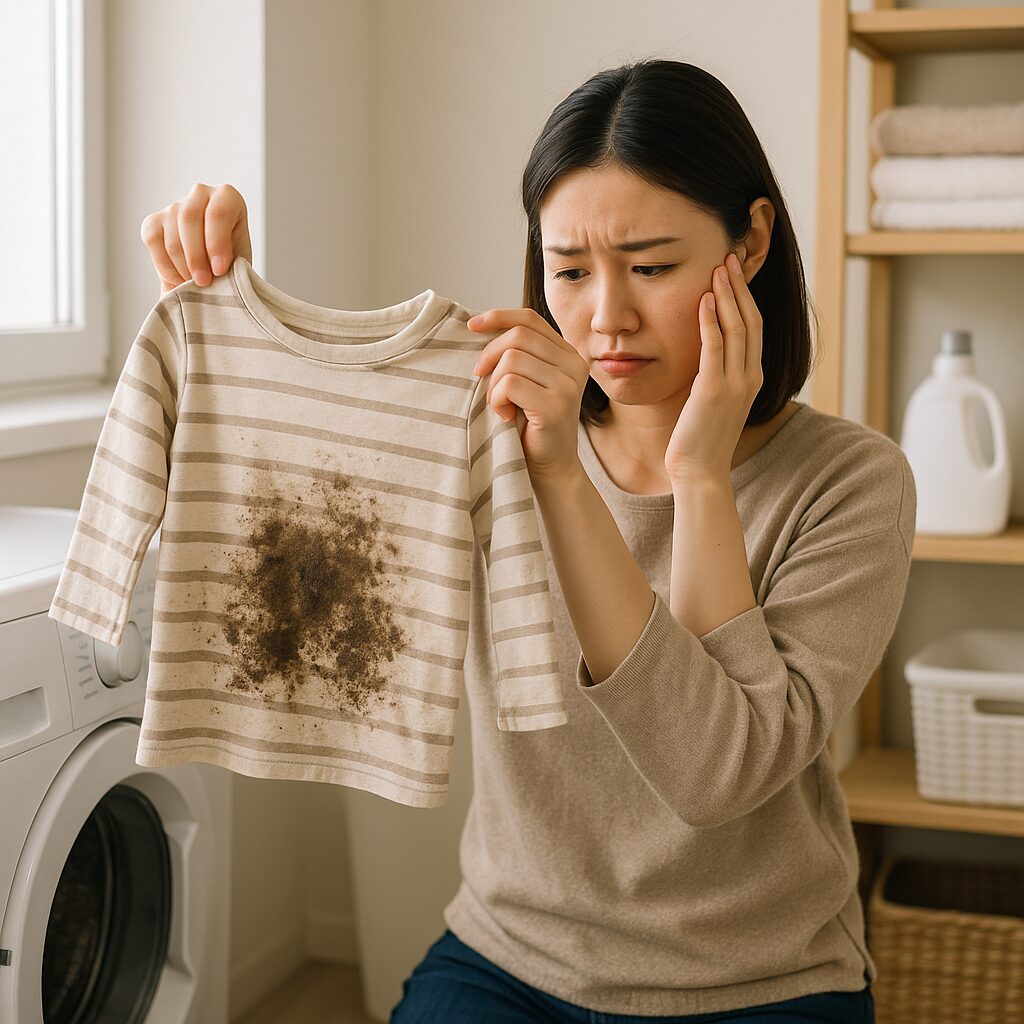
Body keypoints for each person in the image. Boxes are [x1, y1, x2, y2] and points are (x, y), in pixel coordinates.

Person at [142, 58, 910, 1024]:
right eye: (571, 271)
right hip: (513, 956)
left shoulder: (852, 483)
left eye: (653, 266)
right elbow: (287, 567)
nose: (605, 317)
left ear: (751, 241)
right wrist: (228, 318)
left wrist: (699, 477)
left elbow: (720, 773)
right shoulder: (484, 436)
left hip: (759, 977)